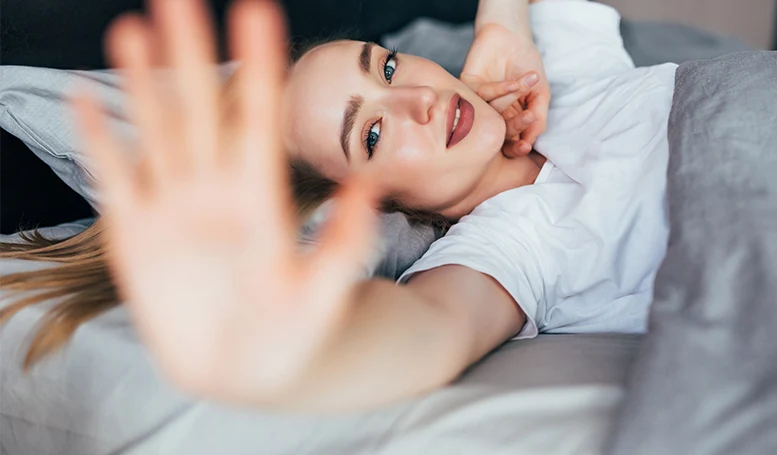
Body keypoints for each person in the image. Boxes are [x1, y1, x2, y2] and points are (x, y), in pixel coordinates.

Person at [0, 0, 675, 413]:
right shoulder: (514, 245)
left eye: (383, 67)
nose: (417, 99)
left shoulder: (568, 75)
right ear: (367, 201)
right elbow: (427, 327)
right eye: (372, 135)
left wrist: (501, 23)